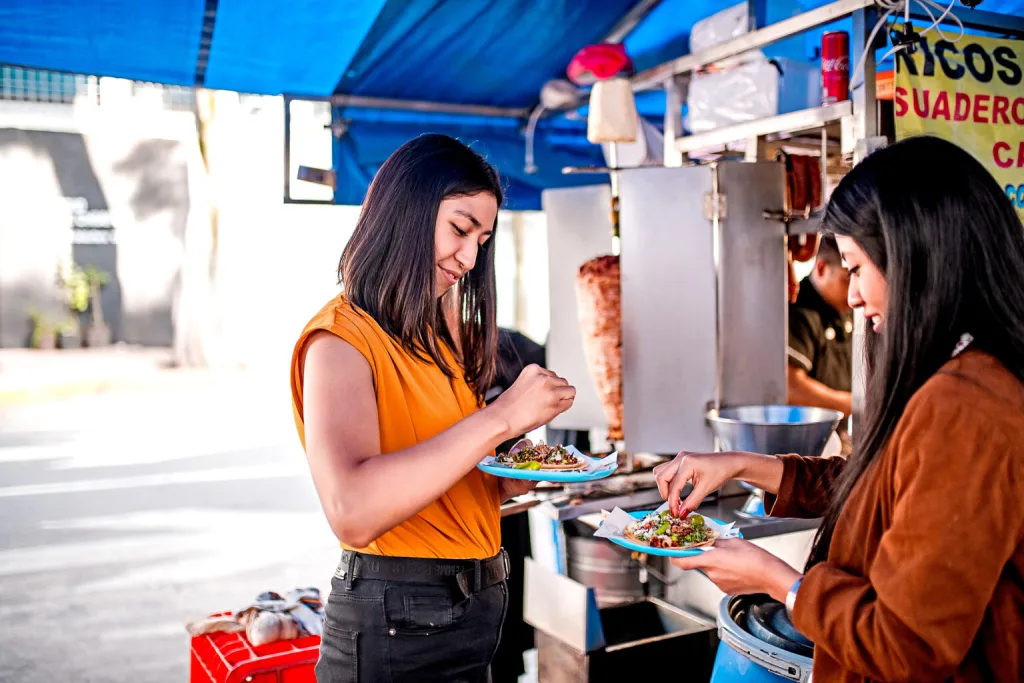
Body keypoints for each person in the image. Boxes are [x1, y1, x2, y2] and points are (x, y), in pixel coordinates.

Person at [654, 136, 1024, 682]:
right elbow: (879, 488)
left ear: (913, 259)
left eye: (855, 267)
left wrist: (777, 581)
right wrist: (744, 464)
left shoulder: (967, 404)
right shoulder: (961, 377)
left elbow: (907, 645)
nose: (851, 295)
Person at [290, 133, 576, 683]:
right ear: (406, 212)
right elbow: (353, 510)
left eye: (483, 240)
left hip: (472, 611)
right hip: (397, 624)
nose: (470, 258)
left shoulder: (439, 333)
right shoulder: (340, 341)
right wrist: (500, 417)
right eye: (460, 229)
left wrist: (503, 479)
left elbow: (438, 474)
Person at [787, 234, 853, 420]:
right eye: (848, 279)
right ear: (822, 268)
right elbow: (791, 388)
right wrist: (856, 404)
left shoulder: (846, 309)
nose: (855, 292)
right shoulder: (799, 311)